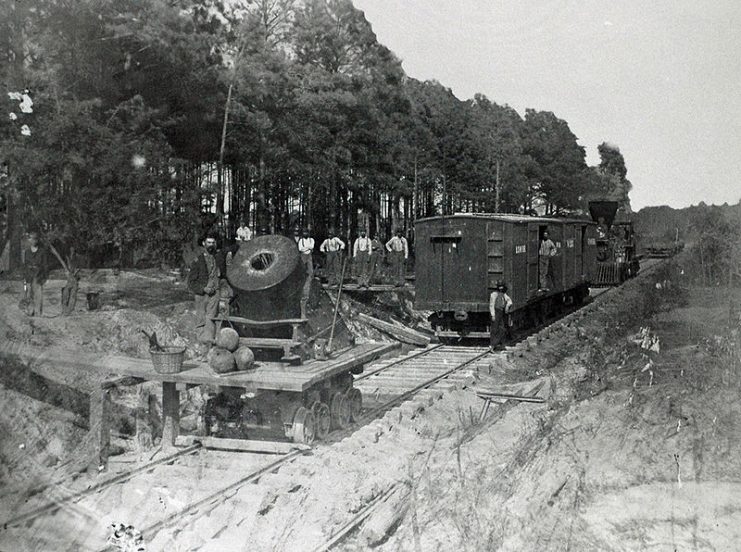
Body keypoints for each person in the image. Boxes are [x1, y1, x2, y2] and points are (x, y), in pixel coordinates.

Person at [187, 233, 222, 348]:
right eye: (209, 243)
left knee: (211, 319)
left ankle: (211, 347)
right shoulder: (197, 261)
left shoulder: (218, 258)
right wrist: (203, 289)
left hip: (215, 294)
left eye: (213, 243)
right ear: (203, 244)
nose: (211, 245)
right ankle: (201, 349)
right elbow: (191, 283)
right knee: (201, 321)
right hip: (202, 296)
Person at [22, 231, 48, 317]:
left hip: (38, 275)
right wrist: (25, 277)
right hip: (29, 275)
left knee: (38, 294)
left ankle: (37, 312)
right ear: (29, 240)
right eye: (31, 239)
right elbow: (25, 265)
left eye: (35, 239)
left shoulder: (42, 251)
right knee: (29, 293)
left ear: (37, 240)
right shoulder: (27, 252)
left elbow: (45, 266)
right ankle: (30, 311)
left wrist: (44, 277)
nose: (33, 241)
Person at [489, 281, 513, 351]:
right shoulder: (494, 295)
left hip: (501, 312)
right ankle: (492, 345)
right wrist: (493, 315)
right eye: (500, 286)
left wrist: (507, 307)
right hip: (496, 312)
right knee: (495, 329)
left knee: (502, 328)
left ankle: (499, 344)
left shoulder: (503, 295)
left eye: (502, 286)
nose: (501, 288)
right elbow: (491, 305)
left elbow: (509, 301)